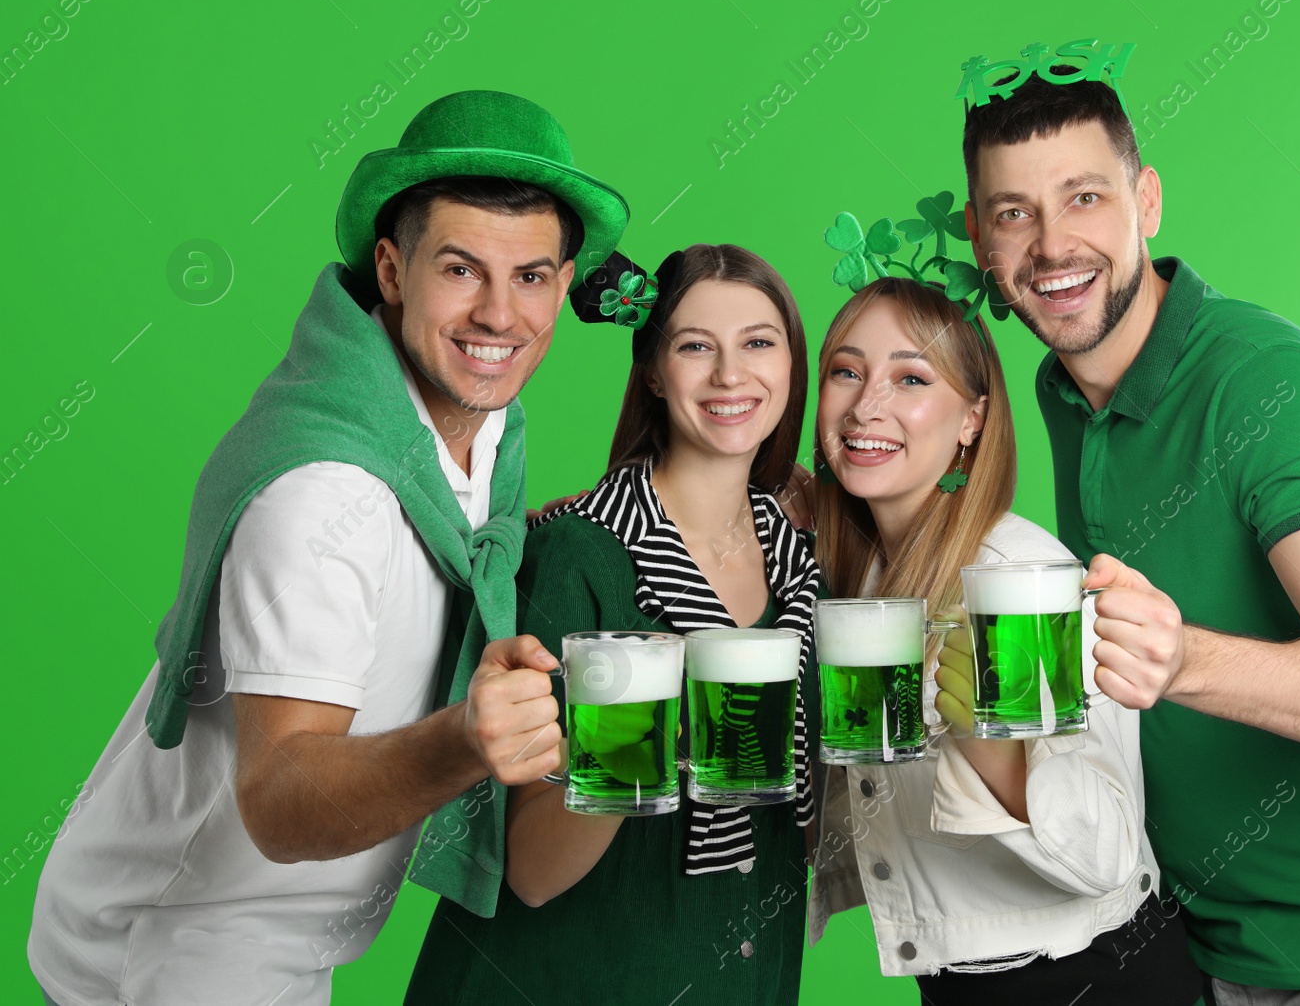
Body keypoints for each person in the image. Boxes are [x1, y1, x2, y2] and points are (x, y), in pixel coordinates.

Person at [27, 90, 629, 1006]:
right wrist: (466, 738)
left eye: (533, 277)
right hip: (176, 947)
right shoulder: (322, 494)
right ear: (391, 268)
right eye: (461, 270)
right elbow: (280, 797)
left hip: (281, 938)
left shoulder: (479, 433)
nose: (500, 316)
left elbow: (458, 543)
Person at [954, 41, 1300, 1002]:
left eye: (1085, 197)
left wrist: (1183, 661)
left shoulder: (1263, 379)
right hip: (1212, 949)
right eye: (1016, 213)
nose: (1052, 245)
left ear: (1148, 203)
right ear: (979, 238)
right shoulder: (1061, 389)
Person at [405, 243, 819, 1005]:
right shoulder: (580, 555)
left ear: (793, 367)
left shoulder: (806, 564)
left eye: (759, 342)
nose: (731, 375)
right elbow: (530, 870)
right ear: (654, 371)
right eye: (696, 346)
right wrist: (654, 737)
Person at [804, 275, 1204, 1005]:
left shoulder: (1022, 586)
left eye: (911, 377)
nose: (867, 405)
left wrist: (992, 747)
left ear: (971, 419)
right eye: (846, 371)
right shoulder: (860, 578)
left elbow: (1106, 849)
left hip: (1096, 979)